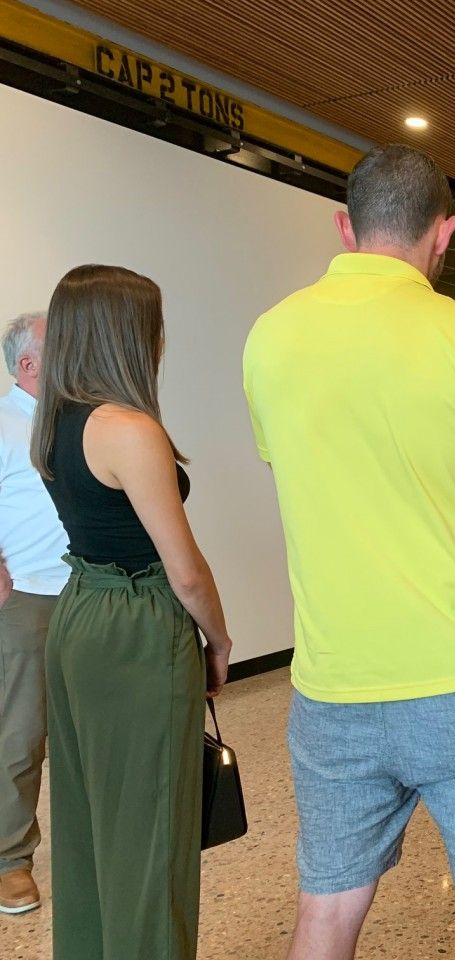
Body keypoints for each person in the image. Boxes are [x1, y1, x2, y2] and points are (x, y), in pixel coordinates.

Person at [243, 144, 455, 960]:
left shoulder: (270, 339)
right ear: (445, 233)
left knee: (327, 908)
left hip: (332, 685)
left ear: (344, 226)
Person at [32, 265, 233, 958]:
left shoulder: (55, 420)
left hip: (80, 613)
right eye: (153, 326)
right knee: (150, 837)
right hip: (138, 625)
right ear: (127, 334)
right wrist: (220, 639)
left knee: (90, 827)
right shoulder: (129, 428)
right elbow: (185, 569)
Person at [0, 313, 68, 916]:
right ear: (28, 364)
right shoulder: (1, 423)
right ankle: (10, 861)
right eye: (59, 346)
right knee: (21, 734)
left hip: (92, 596)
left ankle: (83, 844)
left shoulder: (79, 418)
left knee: (86, 728)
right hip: (27, 596)